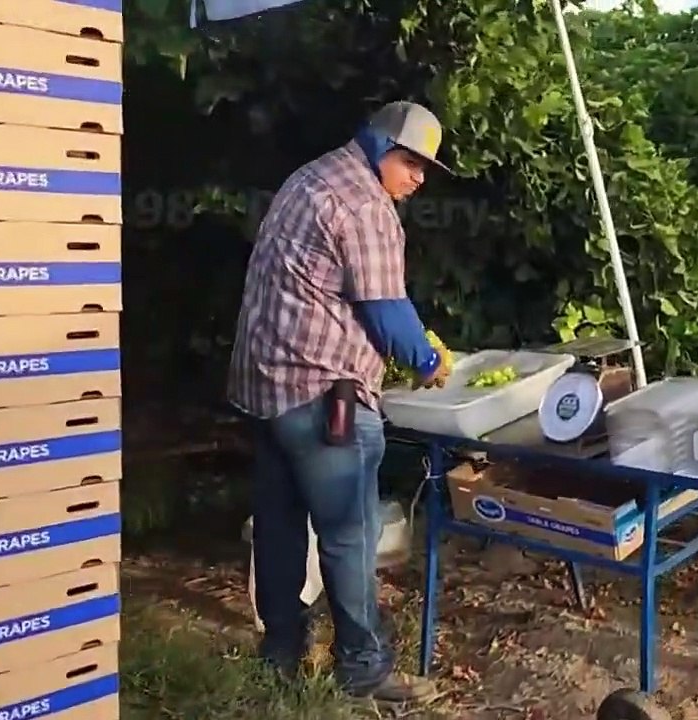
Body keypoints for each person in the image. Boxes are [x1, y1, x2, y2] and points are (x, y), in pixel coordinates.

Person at [228, 101, 450, 704]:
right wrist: (428, 360)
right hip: (324, 398)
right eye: (411, 163)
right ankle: (365, 672)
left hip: (266, 389)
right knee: (349, 535)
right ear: (380, 147)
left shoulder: (312, 176)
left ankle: (281, 655)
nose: (419, 178)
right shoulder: (364, 204)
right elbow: (385, 309)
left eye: (426, 168)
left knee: (278, 528)